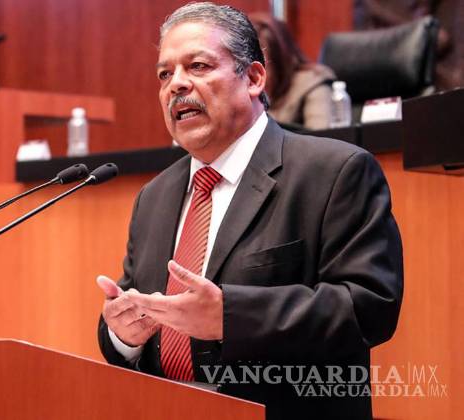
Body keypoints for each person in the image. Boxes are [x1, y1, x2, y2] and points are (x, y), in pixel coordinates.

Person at [97, 3, 403, 419]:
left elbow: (369, 308)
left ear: (254, 78)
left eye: (198, 66)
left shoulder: (333, 172)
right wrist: (123, 335)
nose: (176, 84)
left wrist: (229, 317)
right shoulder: (154, 196)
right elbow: (131, 311)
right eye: (164, 74)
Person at [249, 12, 336, 130]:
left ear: (280, 61)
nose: (253, 75)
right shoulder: (241, 86)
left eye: (260, 66)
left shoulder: (313, 81)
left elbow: (321, 134)